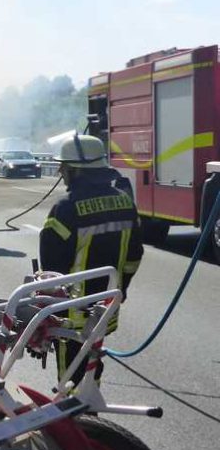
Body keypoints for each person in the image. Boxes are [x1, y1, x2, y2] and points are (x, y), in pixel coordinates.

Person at [39, 134, 144, 387]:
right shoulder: (125, 202)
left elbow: (52, 271)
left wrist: (48, 311)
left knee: (70, 381)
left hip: (71, 316)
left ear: (76, 170)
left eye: (64, 166)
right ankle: (91, 419)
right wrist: (122, 289)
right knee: (91, 370)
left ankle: (79, 424)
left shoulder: (66, 208)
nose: (61, 171)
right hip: (106, 307)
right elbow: (134, 255)